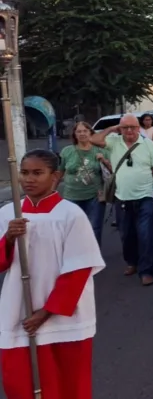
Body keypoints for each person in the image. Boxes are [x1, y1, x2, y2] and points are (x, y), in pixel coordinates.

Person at [0, 150, 107, 399]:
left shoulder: (71, 215)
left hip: (62, 317)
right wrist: (8, 239)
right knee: (20, 382)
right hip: (19, 311)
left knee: (67, 383)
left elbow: (78, 271)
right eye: (25, 173)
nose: (29, 179)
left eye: (38, 173)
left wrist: (45, 312)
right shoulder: (8, 214)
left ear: (55, 176)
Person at [91, 115, 153, 286]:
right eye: (125, 128)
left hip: (145, 197)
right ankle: (132, 262)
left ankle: (146, 271)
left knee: (145, 235)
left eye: (133, 127)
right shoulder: (114, 141)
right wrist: (112, 128)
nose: (129, 131)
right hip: (122, 198)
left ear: (139, 127)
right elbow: (93, 139)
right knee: (126, 235)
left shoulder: (148, 145)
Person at [57, 122, 111, 245]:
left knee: (94, 228)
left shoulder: (101, 151)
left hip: (95, 197)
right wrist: (50, 193)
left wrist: (104, 160)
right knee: (72, 230)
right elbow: (59, 173)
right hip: (71, 197)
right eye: (79, 131)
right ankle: (75, 258)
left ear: (91, 133)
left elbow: (112, 173)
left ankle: (94, 260)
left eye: (85, 131)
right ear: (74, 135)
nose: (82, 134)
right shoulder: (67, 151)